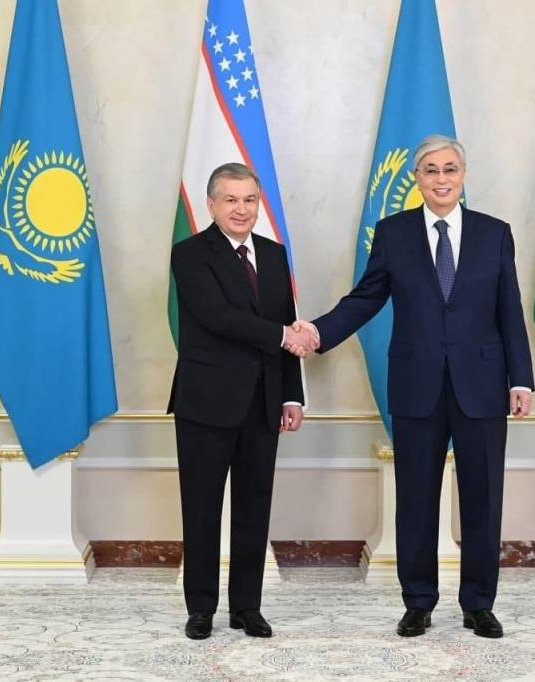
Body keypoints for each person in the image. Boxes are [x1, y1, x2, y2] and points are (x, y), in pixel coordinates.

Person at [294, 135, 533, 639]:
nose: (441, 179)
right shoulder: (394, 233)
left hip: (482, 384)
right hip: (415, 384)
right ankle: (418, 602)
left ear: (463, 175)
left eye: (450, 169)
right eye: (430, 170)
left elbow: (509, 309)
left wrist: (522, 379)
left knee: (483, 498)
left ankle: (479, 604)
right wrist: (318, 332)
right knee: (416, 499)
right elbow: (365, 299)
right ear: (417, 178)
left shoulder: (494, 234)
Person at [168, 162, 317, 640]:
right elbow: (218, 316)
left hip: (263, 402)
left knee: (254, 506)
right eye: (230, 200)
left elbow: (286, 317)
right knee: (202, 508)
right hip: (205, 403)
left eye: (249, 200)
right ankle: (201, 608)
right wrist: (284, 336)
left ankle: (247, 607)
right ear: (211, 205)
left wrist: (292, 395)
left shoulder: (273, 254)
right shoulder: (189, 254)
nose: (241, 209)